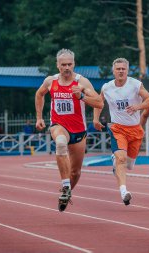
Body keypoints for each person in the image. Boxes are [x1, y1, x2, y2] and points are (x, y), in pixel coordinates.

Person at [35, 49, 103, 212]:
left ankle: (67, 192)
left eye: (70, 64)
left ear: (74, 64)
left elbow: (99, 102)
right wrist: (39, 117)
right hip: (59, 125)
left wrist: (81, 97)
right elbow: (39, 94)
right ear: (57, 65)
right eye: (63, 64)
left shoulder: (82, 82)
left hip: (79, 130)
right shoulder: (50, 81)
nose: (67, 67)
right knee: (60, 143)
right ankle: (65, 185)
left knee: (76, 172)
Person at [93, 58, 149, 205]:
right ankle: (124, 191)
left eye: (123, 69)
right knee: (121, 159)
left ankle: (117, 163)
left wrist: (137, 107)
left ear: (127, 71)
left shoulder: (135, 84)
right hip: (117, 128)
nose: (120, 71)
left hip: (135, 129)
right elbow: (98, 103)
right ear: (113, 71)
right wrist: (96, 119)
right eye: (118, 69)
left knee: (130, 165)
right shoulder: (106, 87)